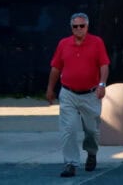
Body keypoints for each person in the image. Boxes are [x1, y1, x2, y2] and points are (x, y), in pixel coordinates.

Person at [46, 12, 111, 178]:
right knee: (68, 129)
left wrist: (102, 84)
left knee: (92, 131)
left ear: (87, 26)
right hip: (68, 93)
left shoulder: (97, 42)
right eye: (75, 26)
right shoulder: (64, 44)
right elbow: (56, 67)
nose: (79, 29)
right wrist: (50, 89)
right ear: (71, 28)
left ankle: (91, 153)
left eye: (82, 26)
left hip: (90, 94)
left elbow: (104, 65)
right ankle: (71, 163)